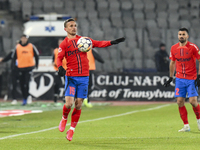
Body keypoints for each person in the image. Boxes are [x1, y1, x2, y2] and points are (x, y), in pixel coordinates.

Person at [57, 18, 125, 141]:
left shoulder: (84, 40)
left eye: (75, 25)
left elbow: (99, 43)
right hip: (71, 77)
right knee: (69, 103)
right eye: (71, 26)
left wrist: (112, 42)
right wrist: (60, 67)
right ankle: (64, 118)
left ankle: (71, 129)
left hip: (84, 77)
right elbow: (59, 57)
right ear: (65, 29)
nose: (74, 27)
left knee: (78, 105)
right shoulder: (64, 44)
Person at [163, 27, 200, 132]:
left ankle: (199, 120)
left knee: (193, 101)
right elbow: (172, 63)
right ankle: (186, 126)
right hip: (179, 78)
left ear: (187, 36)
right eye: (180, 34)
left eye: (183, 34)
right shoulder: (173, 48)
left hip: (191, 78)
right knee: (179, 102)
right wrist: (170, 78)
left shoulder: (193, 47)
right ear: (177, 36)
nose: (181, 36)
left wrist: (199, 75)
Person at [12, 34, 39, 105]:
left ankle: (27, 97)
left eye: (25, 38)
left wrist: (36, 65)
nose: (24, 40)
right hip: (21, 68)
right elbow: (14, 57)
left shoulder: (31, 46)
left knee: (26, 83)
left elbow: (36, 55)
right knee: (21, 84)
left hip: (29, 67)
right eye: (22, 38)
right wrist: (14, 67)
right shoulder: (18, 47)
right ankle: (24, 97)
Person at [0, 40, 20, 105]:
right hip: (14, 70)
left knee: (24, 84)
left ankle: (27, 97)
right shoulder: (13, 51)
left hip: (23, 70)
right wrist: (2, 60)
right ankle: (14, 98)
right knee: (13, 84)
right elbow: (7, 58)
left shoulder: (23, 51)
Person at [52, 38, 67, 105]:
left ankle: (65, 97)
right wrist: (53, 63)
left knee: (65, 84)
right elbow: (53, 59)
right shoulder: (55, 51)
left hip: (65, 69)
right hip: (57, 69)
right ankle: (55, 96)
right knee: (56, 83)